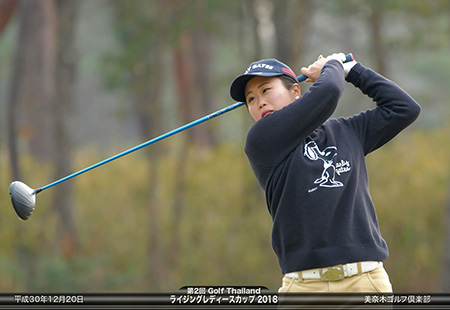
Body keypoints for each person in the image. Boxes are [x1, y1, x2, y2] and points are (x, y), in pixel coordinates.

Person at [229, 53, 421, 292]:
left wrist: (353, 70)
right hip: (304, 288)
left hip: (364, 281)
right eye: (250, 99)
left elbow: (404, 108)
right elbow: (328, 91)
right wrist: (333, 64)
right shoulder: (261, 141)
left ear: (296, 91)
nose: (259, 102)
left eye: (266, 90)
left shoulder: (348, 131)